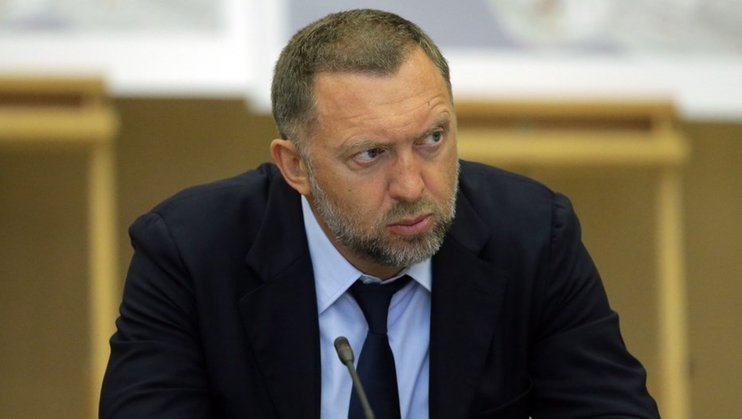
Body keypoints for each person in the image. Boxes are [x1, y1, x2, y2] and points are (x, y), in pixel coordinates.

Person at [100, 8, 660, 419]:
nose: (412, 185)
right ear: (295, 166)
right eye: (370, 154)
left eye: (432, 139)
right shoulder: (191, 254)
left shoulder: (534, 238)